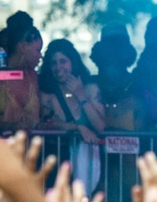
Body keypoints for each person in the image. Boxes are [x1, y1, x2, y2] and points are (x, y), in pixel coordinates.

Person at [38, 38, 106, 192]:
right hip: (59, 164)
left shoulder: (91, 89)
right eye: (53, 63)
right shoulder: (47, 95)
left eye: (63, 61)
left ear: (73, 62)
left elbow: (101, 127)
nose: (58, 67)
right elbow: (47, 123)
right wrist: (78, 127)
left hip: (92, 168)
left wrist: (81, 96)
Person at [0, 11, 43, 134]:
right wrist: (10, 126)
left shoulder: (33, 77)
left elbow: (39, 118)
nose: (40, 55)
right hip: (0, 149)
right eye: (38, 50)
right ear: (23, 47)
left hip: (29, 150)